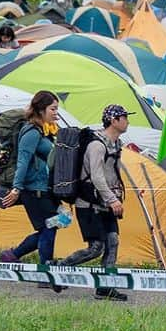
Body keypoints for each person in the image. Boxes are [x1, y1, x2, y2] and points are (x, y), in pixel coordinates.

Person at [58, 104, 131, 301]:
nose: (127, 121)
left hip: (105, 202)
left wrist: (114, 197)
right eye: (124, 117)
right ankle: (61, 268)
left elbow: (112, 174)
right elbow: (97, 178)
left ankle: (105, 288)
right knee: (96, 248)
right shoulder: (97, 146)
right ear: (114, 121)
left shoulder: (116, 144)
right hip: (89, 203)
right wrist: (112, 199)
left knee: (113, 241)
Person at [0, 90, 61, 267]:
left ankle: (13, 254)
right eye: (53, 109)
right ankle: (45, 272)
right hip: (33, 191)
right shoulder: (32, 132)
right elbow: (23, 161)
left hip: (46, 189)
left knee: (59, 222)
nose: (56, 113)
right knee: (48, 228)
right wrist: (16, 188)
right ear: (42, 110)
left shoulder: (47, 131)